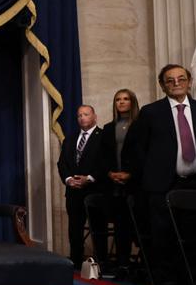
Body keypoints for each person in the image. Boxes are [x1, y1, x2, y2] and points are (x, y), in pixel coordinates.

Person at [124, 64, 196, 285]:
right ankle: (167, 280)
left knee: (194, 233)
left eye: (181, 78)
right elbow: (135, 148)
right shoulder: (151, 112)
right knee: (163, 235)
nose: (176, 83)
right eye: (170, 80)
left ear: (189, 81)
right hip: (161, 185)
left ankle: (193, 281)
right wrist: (147, 175)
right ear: (162, 85)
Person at [57, 105, 107, 269]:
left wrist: (90, 178)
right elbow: (62, 163)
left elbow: (106, 163)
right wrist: (69, 179)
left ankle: (101, 263)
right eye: (79, 115)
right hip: (73, 192)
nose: (82, 118)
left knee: (98, 228)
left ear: (94, 117)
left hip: (94, 191)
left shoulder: (104, 136)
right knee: (74, 229)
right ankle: (76, 262)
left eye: (86, 114)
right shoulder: (69, 139)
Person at [98, 89, 140, 274]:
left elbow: (144, 154)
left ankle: (140, 264)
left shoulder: (140, 125)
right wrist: (110, 173)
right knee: (120, 224)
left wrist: (130, 174)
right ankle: (122, 263)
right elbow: (103, 156)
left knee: (136, 224)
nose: (121, 102)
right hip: (113, 184)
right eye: (118, 100)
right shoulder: (108, 128)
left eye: (125, 99)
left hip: (135, 183)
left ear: (132, 102)